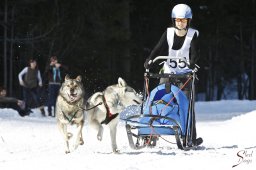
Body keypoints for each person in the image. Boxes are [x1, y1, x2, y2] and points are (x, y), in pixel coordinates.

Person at [144, 4, 202, 146]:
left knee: (187, 106)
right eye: (177, 20)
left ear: (188, 21)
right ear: (173, 20)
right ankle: (151, 133)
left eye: (183, 20)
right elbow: (158, 48)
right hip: (168, 72)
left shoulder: (192, 34)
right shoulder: (169, 32)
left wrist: (193, 62)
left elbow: (195, 53)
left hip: (185, 75)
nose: (180, 23)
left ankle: (190, 137)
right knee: (158, 101)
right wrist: (149, 60)